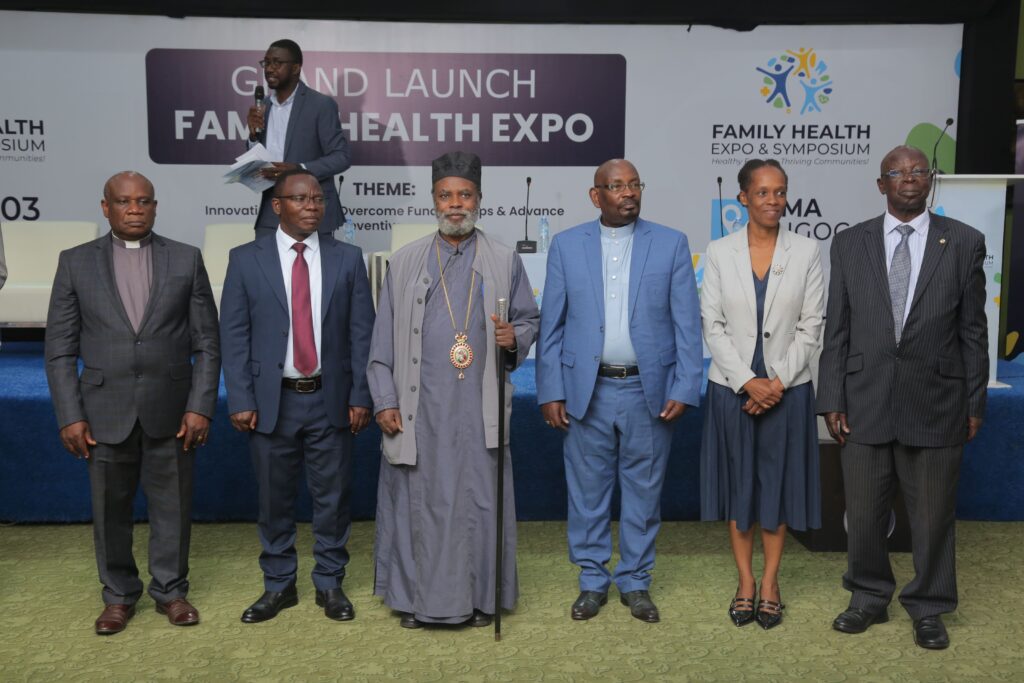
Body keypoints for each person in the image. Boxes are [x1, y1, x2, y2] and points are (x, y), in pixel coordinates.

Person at [818, 145, 988, 650]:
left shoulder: (964, 241)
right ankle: (868, 597)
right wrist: (832, 396)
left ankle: (930, 607)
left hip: (937, 400)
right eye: (898, 172)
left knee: (933, 516)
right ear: (881, 185)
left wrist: (974, 402)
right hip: (864, 399)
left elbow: (973, 332)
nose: (910, 178)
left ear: (929, 180)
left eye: (919, 171)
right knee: (864, 513)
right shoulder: (850, 243)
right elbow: (837, 329)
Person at [367, 151, 539, 629]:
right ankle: (414, 602)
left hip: (477, 407)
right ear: (434, 200)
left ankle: (481, 600)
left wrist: (514, 337)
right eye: (446, 195)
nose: (456, 204)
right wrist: (384, 401)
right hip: (420, 407)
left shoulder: (504, 259)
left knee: (478, 503)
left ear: (479, 199)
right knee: (419, 504)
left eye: (465, 195)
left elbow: (528, 320)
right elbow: (380, 343)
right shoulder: (405, 261)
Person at [44, 171, 220, 635]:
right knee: (109, 511)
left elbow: (208, 343)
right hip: (103, 409)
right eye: (123, 202)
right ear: (106, 208)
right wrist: (70, 414)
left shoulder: (186, 258)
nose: (135, 209)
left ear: (155, 206)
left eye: (144, 201)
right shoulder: (74, 262)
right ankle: (118, 596)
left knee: (173, 507)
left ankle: (172, 592)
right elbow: (59, 349)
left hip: (172, 408)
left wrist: (200, 405)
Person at [536, 159, 702, 623]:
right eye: (616, 186)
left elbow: (688, 325)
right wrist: (550, 389)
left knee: (643, 492)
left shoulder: (670, 243)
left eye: (634, 185)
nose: (628, 193)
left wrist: (685, 385)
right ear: (596, 196)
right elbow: (552, 326)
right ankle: (592, 580)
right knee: (586, 493)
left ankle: (635, 580)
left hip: (648, 389)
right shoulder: (567, 245)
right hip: (585, 390)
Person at [220, 168, 374, 623]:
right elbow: (234, 334)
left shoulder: (348, 258)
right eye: (301, 199)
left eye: (318, 199)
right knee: (274, 499)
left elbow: (362, 333)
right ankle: (278, 585)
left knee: (333, 498)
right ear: (277, 206)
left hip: (331, 397)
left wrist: (361, 395)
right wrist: (241, 398)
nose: (312, 206)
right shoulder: (245, 259)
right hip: (272, 401)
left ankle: (329, 583)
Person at [699, 159, 824, 629]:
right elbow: (711, 324)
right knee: (740, 488)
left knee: (778, 486)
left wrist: (775, 383)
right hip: (732, 390)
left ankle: (770, 583)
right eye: (763, 192)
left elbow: (812, 326)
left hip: (787, 391)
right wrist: (747, 381)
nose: (773, 200)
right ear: (743, 198)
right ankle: (745, 582)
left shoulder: (807, 251)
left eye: (780, 192)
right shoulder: (719, 251)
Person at [248, 39, 351, 239]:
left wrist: (300, 169)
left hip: (311, 211)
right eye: (266, 63)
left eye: (277, 63)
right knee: (264, 260)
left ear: (296, 68)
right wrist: (253, 135)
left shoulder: (321, 105)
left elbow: (341, 157)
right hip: (272, 211)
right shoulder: (263, 107)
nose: (269, 68)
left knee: (317, 261)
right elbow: (257, 156)